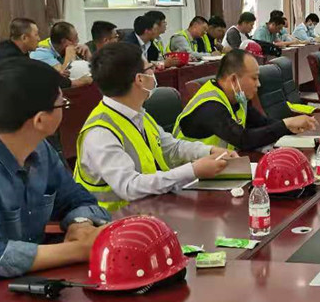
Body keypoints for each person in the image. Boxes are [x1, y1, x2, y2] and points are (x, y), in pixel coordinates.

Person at [0, 58, 110, 281]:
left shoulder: (40, 150)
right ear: (40, 120)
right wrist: (80, 249)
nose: (64, 109)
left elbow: (77, 199)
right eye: (62, 104)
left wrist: (80, 224)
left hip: (29, 283)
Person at [74, 42, 233, 210]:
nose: (154, 71)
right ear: (140, 79)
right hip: (112, 219)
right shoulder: (100, 132)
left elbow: (171, 147)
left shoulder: (136, 113)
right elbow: (129, 187)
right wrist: (193, 170)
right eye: (150, 67)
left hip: (150, 208)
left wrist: (209, 151)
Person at [174, 49, 317, 152]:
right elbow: (243, 139)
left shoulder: (238, 98)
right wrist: (286, 124)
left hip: (216, 167)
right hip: (186, 175)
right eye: (254, 78)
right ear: (233, 79)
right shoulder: (210, 106)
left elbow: (262, 123)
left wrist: (291, 127)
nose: (258, 84)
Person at [29, 21, 92, 88]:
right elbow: (64, 77)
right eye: (75, 38)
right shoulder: (40, 53)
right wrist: (70, 54)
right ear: (64, 41)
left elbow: (94, 72)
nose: (78, 41)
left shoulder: (62, 48)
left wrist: (87, 53)